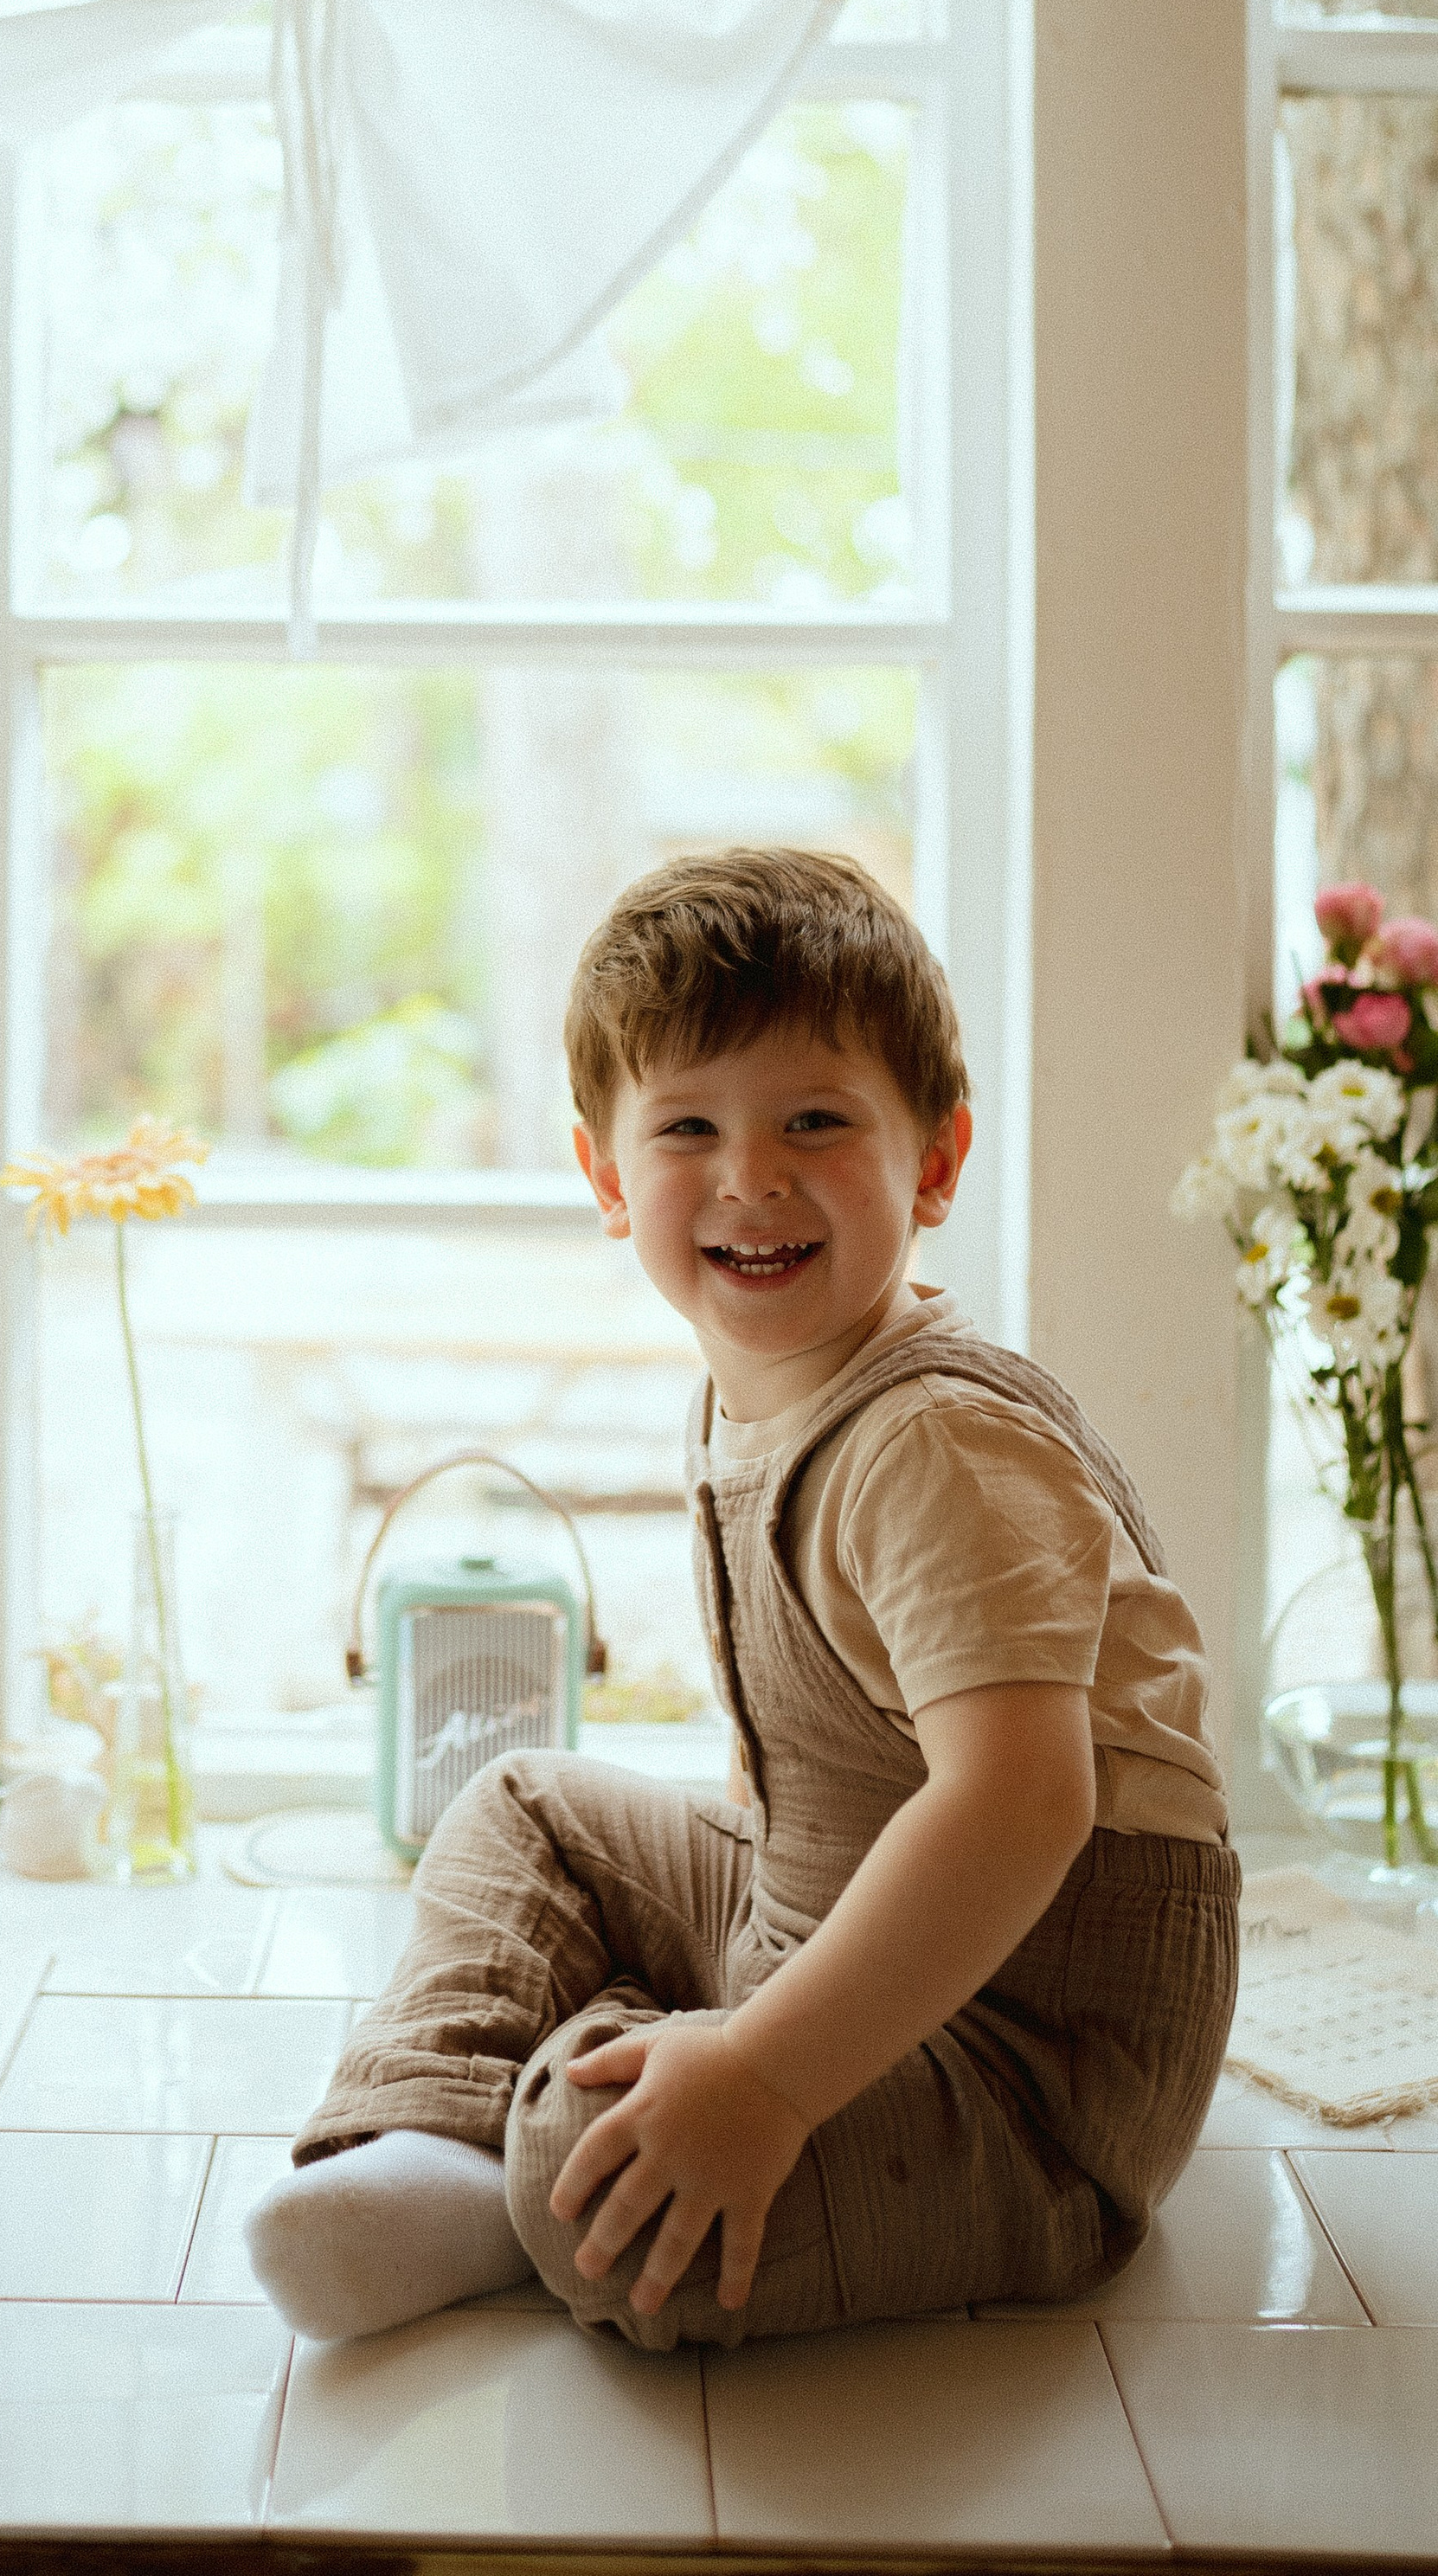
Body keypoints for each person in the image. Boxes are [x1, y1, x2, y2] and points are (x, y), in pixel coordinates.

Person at [246, 846, 1236, 2352]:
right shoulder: (761, 1382)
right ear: (605, 1175)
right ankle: (439, 2145)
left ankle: (542, 2152)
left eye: (818, 1123)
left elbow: (1021, 1805)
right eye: (689, 1127)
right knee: (520, 1805)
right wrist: (759, 2012)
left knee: (633, 2221)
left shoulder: (935, 1447)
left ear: (937, 1161)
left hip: (1031, 2057)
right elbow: (810, 1750)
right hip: (825, 1909)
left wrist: (765, 2073)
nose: (751, 1178)